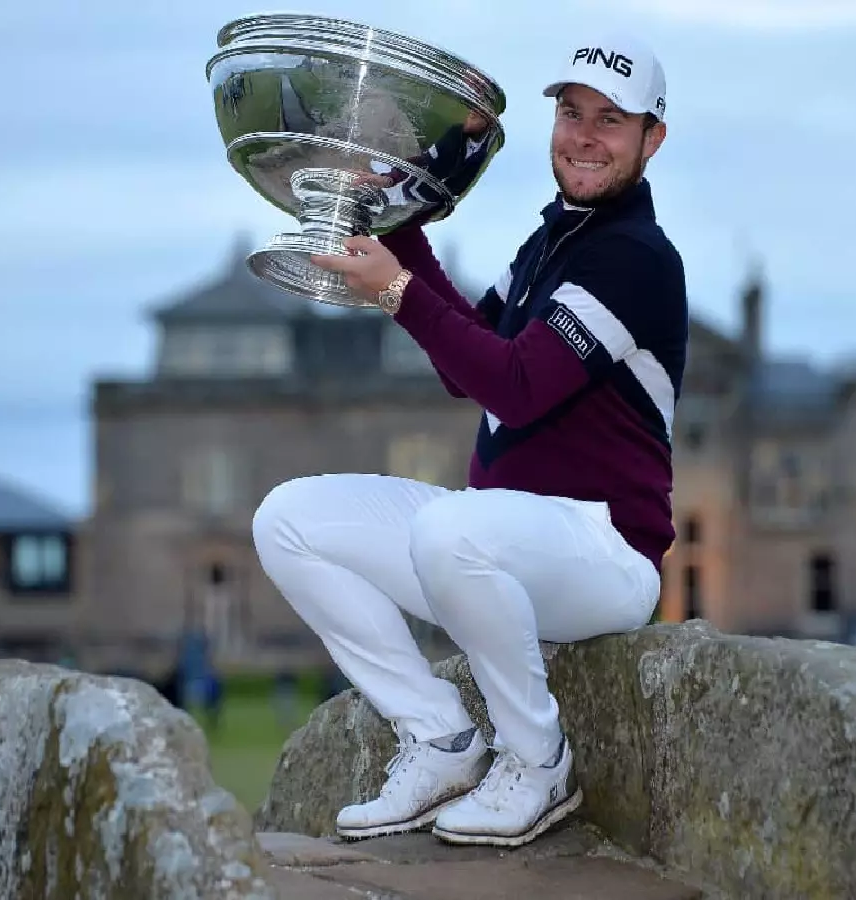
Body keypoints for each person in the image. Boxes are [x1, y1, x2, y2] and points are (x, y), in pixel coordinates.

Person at [251, 32, 687, 849]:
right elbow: (468, 360)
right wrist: (395, 219)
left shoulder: (637, 258)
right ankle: (441, 738)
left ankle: (538, 761)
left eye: (611, 121)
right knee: (287, 518)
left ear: (650, 140)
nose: (584, 135)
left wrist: (397, 290)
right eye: (571, 113)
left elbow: (515, 389)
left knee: (450, 528)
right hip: (498, 538)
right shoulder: (552, 242)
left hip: (603, 551)